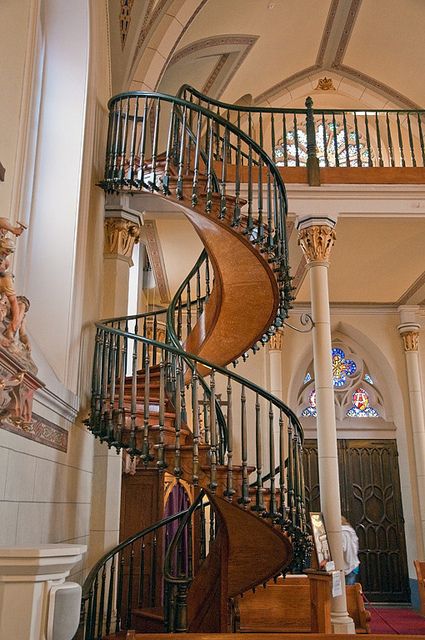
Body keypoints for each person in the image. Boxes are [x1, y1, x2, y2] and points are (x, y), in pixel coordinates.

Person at [341, 516, 360, 584]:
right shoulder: (351, 530)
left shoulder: (341, 532)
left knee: (346, 591)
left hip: (346, 566)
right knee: (350, 590)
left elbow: (342, 548)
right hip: (354, 564)